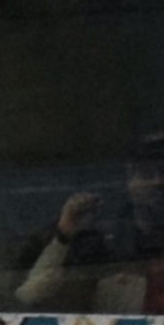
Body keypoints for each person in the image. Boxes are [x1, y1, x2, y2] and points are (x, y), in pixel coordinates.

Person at [12, 132, 164, 311]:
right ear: (130, 176)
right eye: (147, 173)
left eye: (163, 171)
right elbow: (30, 295)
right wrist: (64, 235)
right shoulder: (97, 235)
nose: (157, 181)